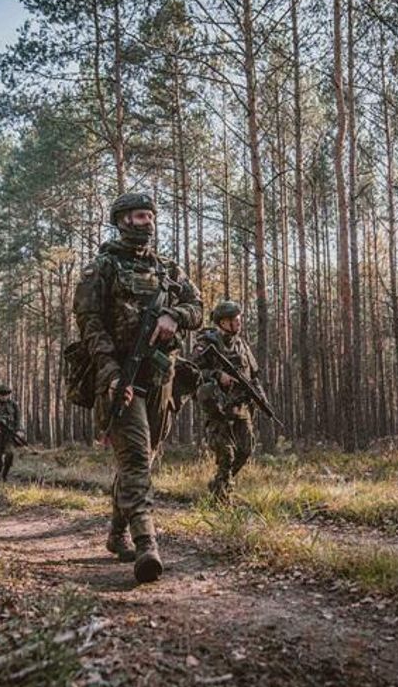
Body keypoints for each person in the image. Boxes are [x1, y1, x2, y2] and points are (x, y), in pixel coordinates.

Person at [72, 192, 203, 583]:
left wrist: (173, 315)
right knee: (133, 463)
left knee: (143, 461)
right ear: (121, 221)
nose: (145, 222)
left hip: (160, 378)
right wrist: (111, 374)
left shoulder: (169, 270)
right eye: (137, 216)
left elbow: (197, 308)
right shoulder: (102, 268)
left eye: (149, 215)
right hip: (119, 377)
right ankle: (147, 545)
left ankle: (116, 533)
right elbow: (90, 325)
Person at [193, 300, 259, 500]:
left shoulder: (241, 345)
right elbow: (191, 371)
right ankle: (222, 496)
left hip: (241, 406)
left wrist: (258, 396)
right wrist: (217, 375)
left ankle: (219, 484)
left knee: (246, 450)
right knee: (226, 454)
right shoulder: (207, 344)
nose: (238, 323)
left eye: (239, 319)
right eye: (234, 320)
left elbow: (254, 375)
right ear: (222, 322)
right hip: (219, 407)